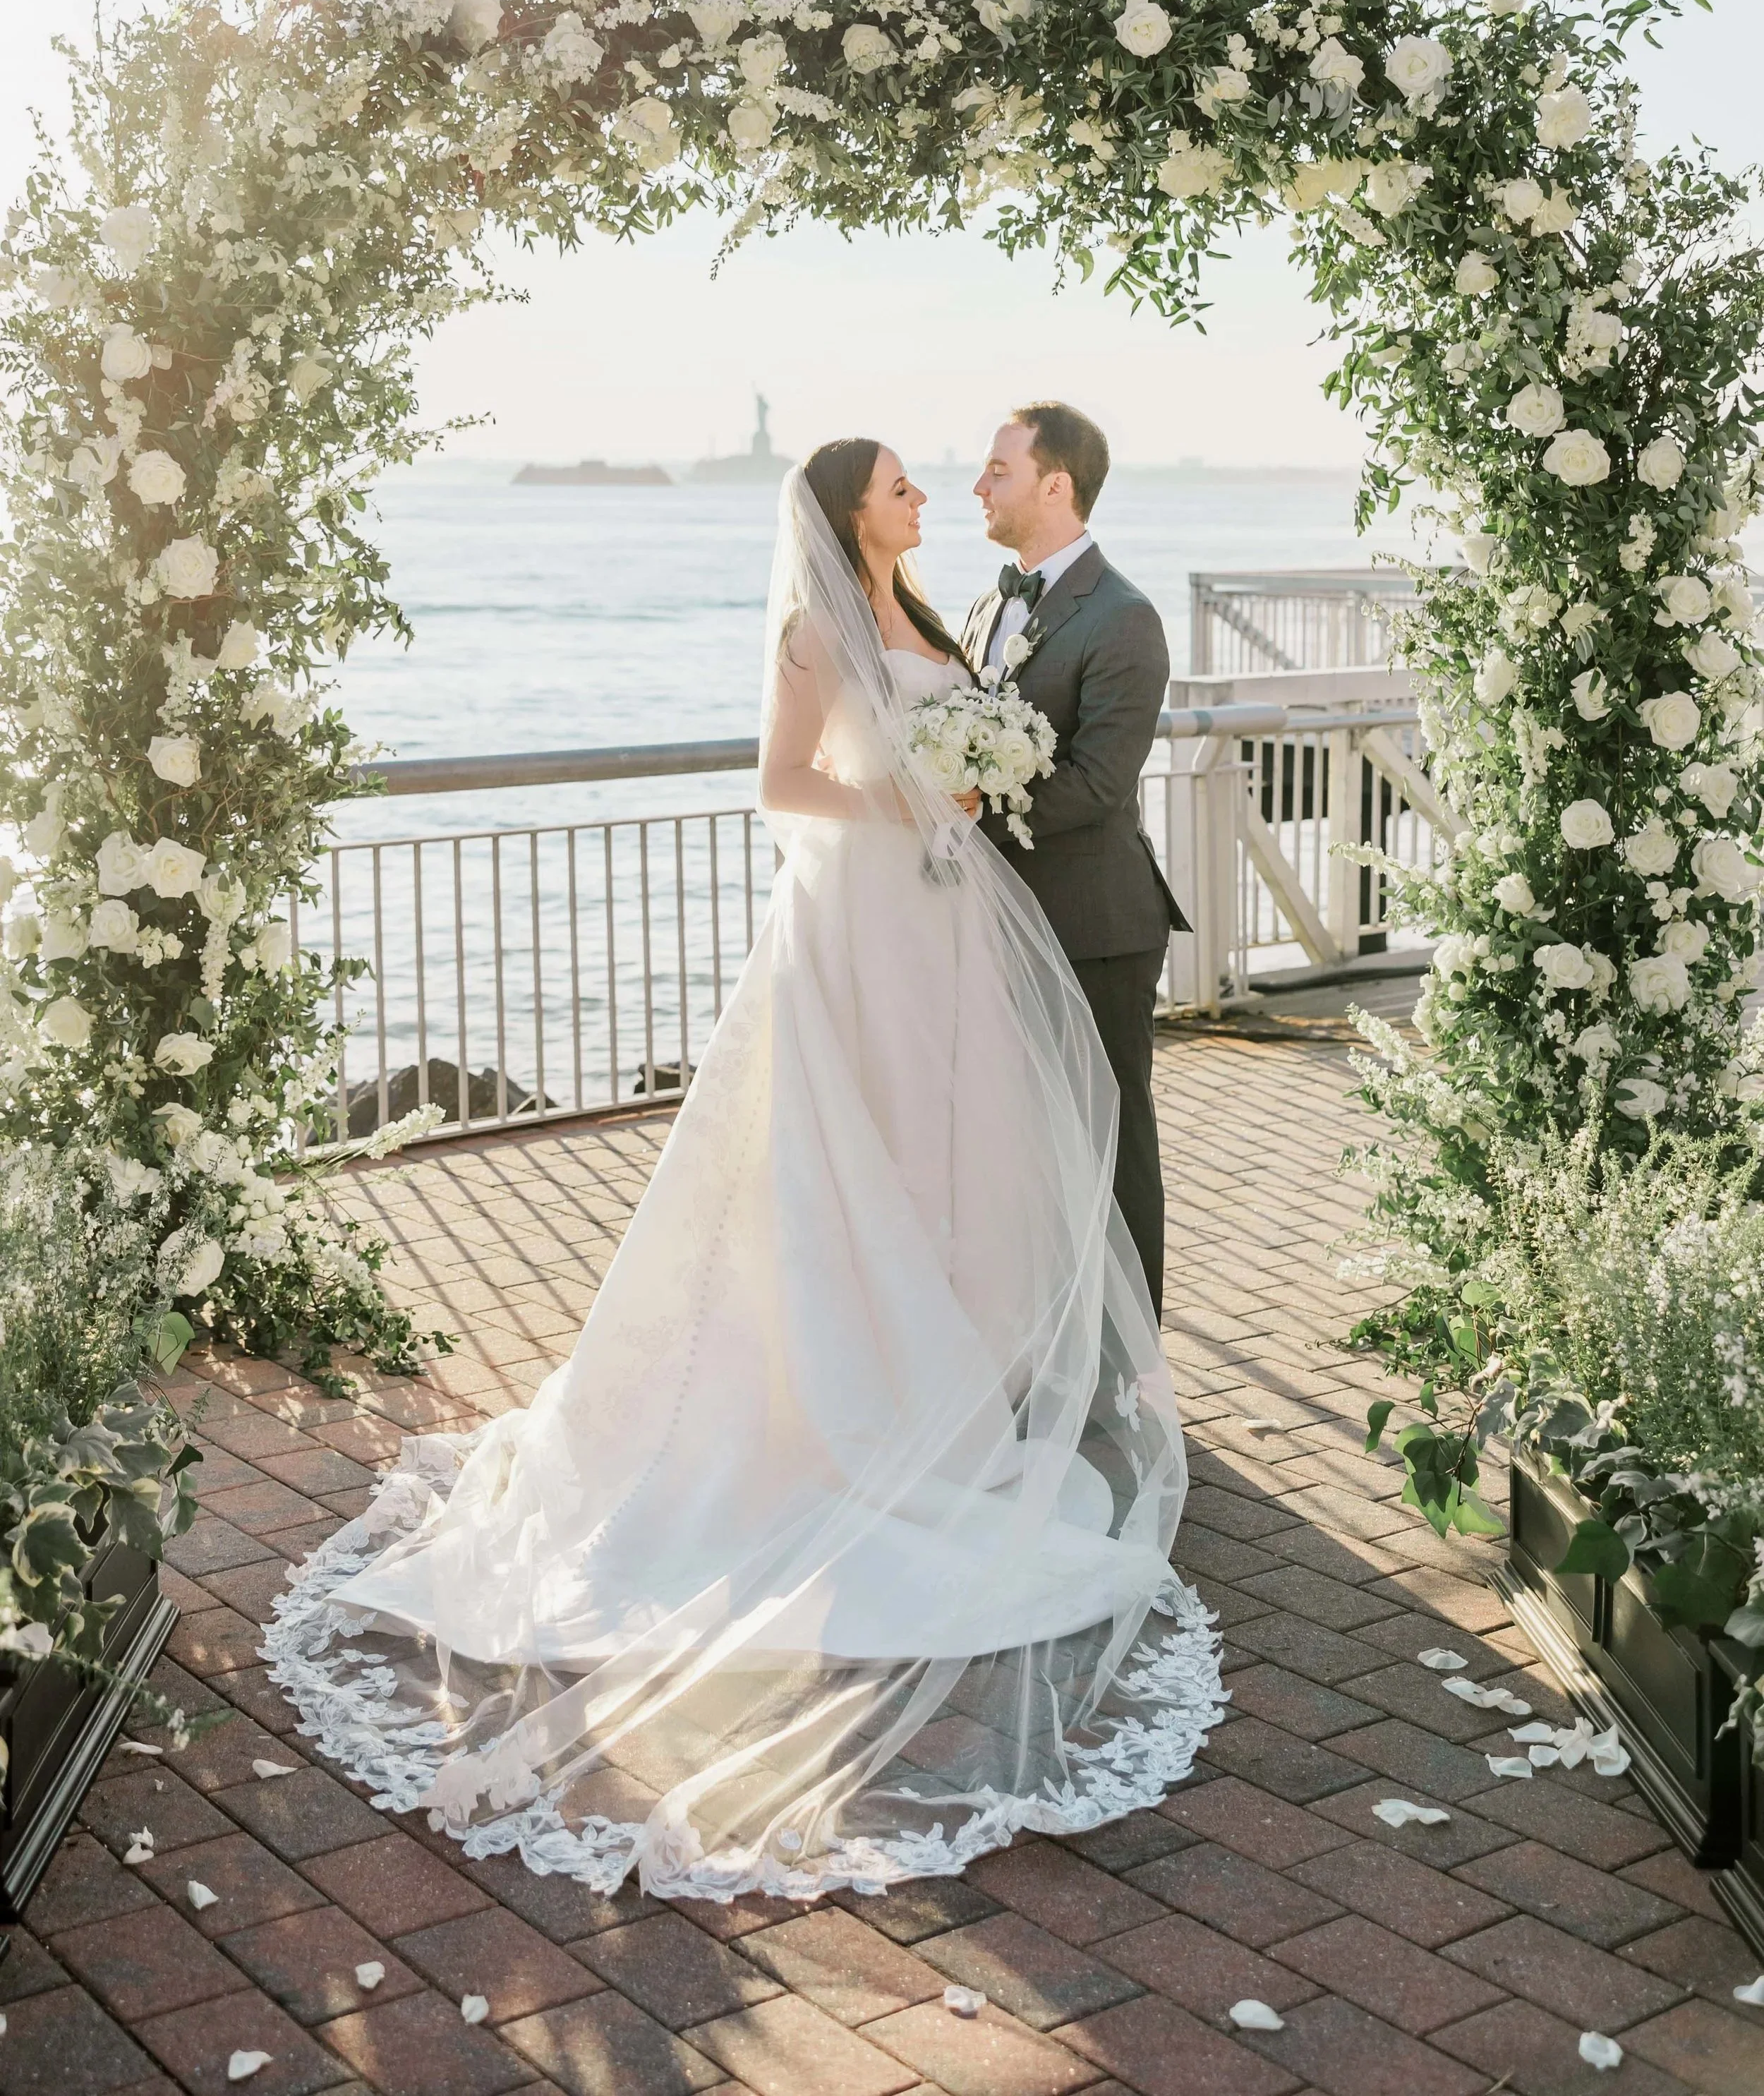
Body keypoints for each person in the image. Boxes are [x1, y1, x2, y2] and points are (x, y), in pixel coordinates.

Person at [263, 443, 1220, 1906]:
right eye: (901, 485)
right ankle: (824, 1404)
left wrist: (958, 790)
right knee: (840, 1164)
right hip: (855, 927)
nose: (925, 497)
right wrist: (910, 800)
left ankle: (940, 1387)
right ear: (850, 509)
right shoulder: (808, 630)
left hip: (941, 932)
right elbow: (782, 782)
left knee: (942, 1165)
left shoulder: (935, 617)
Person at [963, 403, 1186, 1317]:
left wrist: (966, 814)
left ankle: (1136, 1365)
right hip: (1003, 923)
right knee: (1025, 1148)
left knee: (1111, 1140)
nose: (979, 486)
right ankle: (1051, 1337)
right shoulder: (988, 603)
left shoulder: (1123, 617)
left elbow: (1097, 782)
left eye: (998, 470)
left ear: (1057, 485)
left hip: (1097, 928)